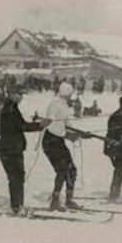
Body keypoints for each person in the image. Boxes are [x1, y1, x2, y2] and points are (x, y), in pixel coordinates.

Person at [0, 84, 47, 215]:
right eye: (19, 94)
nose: (21, 98)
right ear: (12, 94)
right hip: (10, 148)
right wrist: (39, 125)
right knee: (15, 177)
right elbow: (21, 126)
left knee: (18, 176)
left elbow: (20, 125)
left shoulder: (12, 107)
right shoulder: (9, 109)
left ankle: (19, 205)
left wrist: (38, 125)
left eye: (22, 95)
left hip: (13, 147)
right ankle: (16, 207)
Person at [42, 82, 83, 211]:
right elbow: (51, 126)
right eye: (71, 94)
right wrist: (67, 135)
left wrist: (78, 133)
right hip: (51, 142)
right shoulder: (54, 105)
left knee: (71, 170)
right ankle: (54, 201)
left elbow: (67, 124)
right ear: (66, 94)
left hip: (59, 141)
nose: (72, 97)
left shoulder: (64, 105)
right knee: (62, 170)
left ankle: (69, 200)